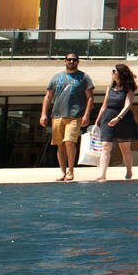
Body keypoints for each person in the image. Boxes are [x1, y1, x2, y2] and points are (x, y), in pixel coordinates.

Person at [40, 52, 94, 182]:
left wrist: (86, 115)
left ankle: (71, 170)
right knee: (60, 145)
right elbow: (48, 96)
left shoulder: (84, 77)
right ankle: (62, 172)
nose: (71, 62)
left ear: (78, 61)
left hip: (74, 115)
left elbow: (90, 97)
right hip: (57, 115)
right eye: (69, 60)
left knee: (69, 141)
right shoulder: (56, 78)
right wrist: (43, 114)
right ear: (65, 61)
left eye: (74, 60)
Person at [93, 63, 138, 181]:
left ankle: (129, 171)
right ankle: (102, 174)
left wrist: (118, 118)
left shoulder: (128, 88)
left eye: (113, 71)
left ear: (120, 73)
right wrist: (96, 122)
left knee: (124, 148)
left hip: (123, 120)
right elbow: (104, 106)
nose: (112, 73)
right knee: (105, 146)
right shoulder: (109, 88)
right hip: (107, 118)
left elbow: (128, 105)